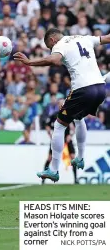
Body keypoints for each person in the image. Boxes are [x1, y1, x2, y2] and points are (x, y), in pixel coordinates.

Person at [14, 28, 110, 182]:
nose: (52, 50)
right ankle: (80, 157)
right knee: (78, 118)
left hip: (83, 89)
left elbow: (54, 60)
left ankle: (53, 169)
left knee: (59, 126)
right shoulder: (84, 38)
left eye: (49, 47)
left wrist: (29, 62)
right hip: (100, 89)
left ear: (52, 40)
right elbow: (107, 38)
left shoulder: (60, 44)